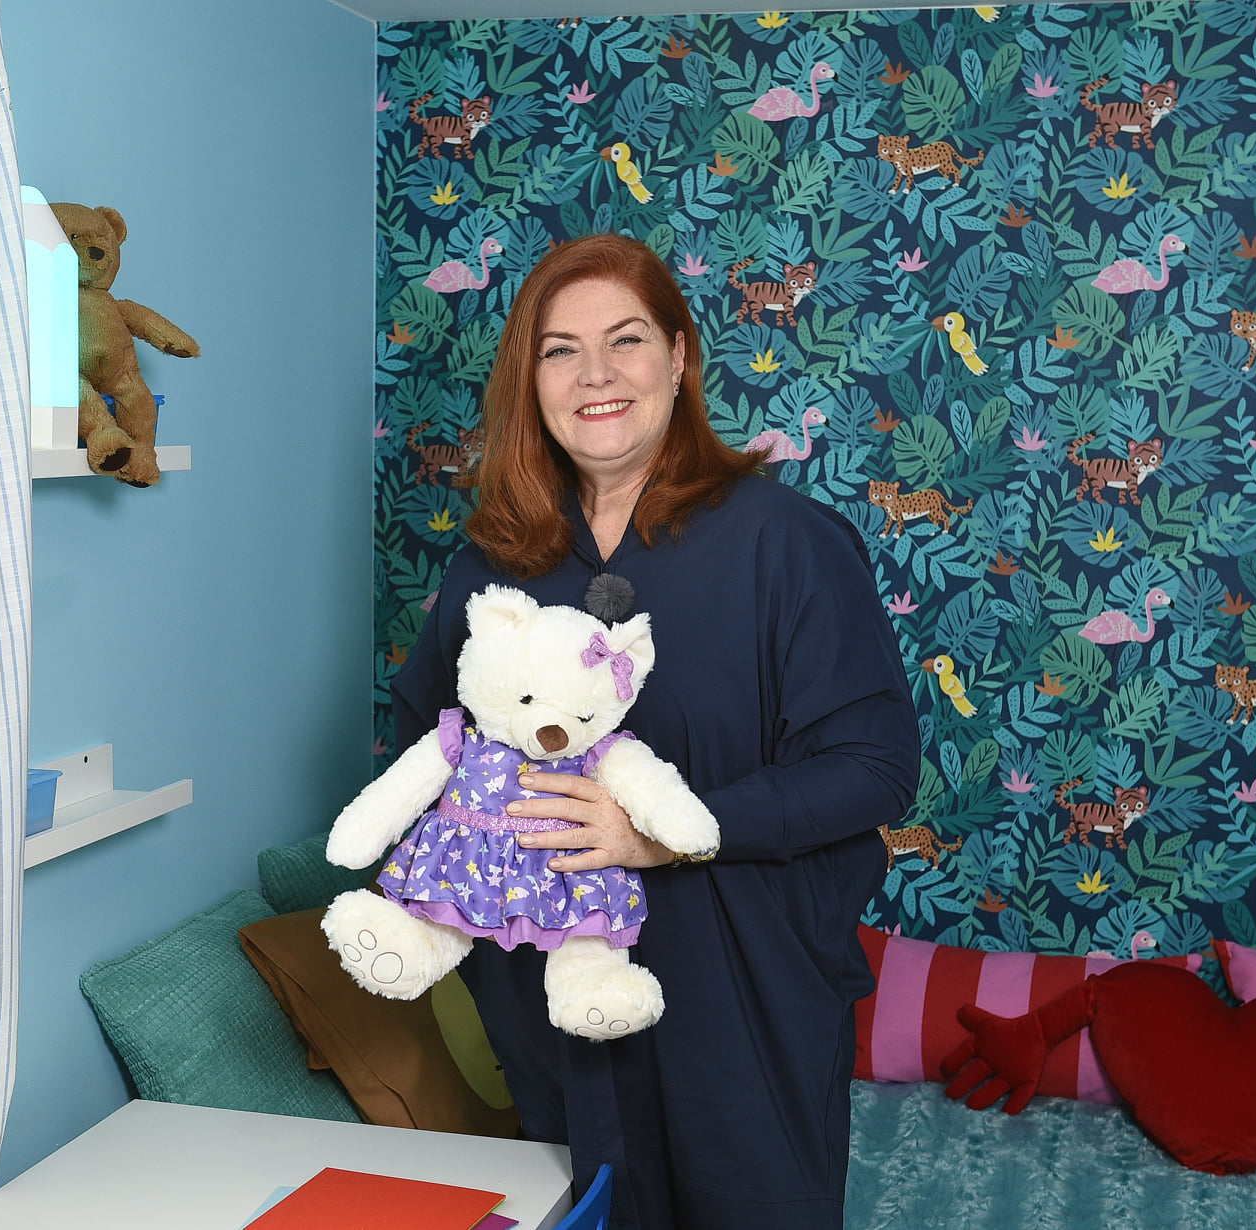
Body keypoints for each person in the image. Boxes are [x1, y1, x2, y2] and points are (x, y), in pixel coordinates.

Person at [389, 233, 919, 1230]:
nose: (595, 375)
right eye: (560, 350)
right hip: (552, 1010)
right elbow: (425, 740)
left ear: (678, 359)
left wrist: (661, 834)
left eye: (625, 340)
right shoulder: (493, 566)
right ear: (531, 381)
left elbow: (874, 768)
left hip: (740, 1002)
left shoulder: (785, 543)